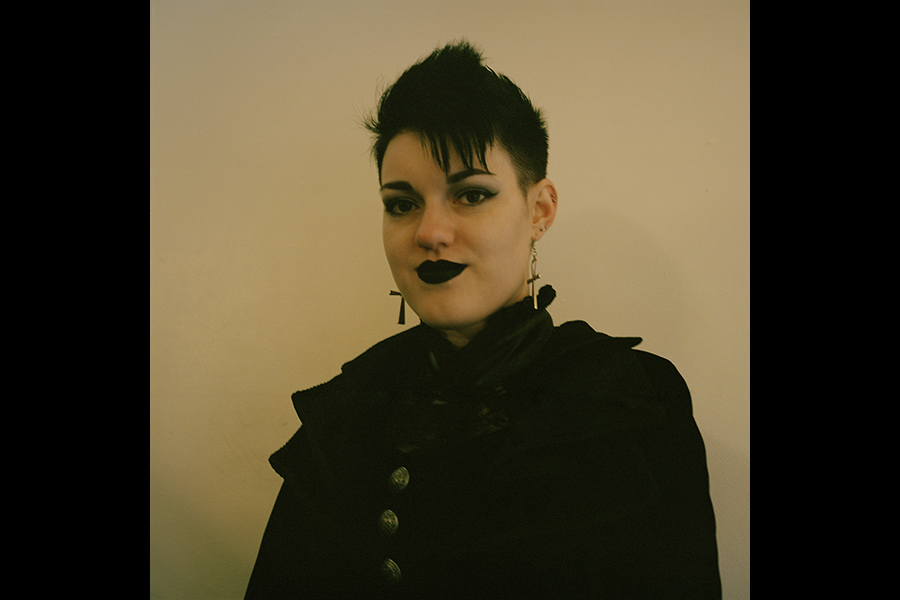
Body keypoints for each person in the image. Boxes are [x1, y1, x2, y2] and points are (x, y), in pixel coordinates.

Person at [244, 41, 721, 599]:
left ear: (539, 210)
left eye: (471, 195)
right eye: (402, 203)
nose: (429, 232)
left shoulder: (629, 401)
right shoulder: (349, 413)